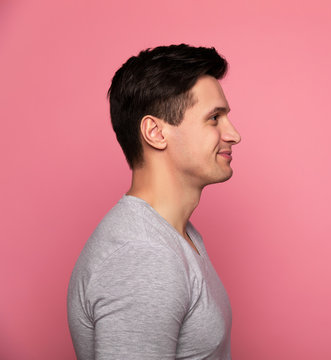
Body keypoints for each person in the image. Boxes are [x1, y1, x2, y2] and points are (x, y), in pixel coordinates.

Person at [67, 44, 241, 360]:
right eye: (214, 118)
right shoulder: (144, 255)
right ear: (155, 132)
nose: (233, 134)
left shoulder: (177, 235)